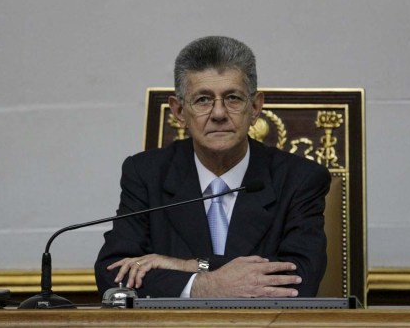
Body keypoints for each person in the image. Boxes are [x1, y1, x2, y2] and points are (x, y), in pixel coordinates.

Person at [95, 36, 331, 298]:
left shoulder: (300, 178)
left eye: (232, 98)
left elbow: (300, 280)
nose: (219, 113)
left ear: (255, 106)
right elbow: (113, 274)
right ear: (179, 111)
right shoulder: (146, 173)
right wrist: (205, 285)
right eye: (203, 100)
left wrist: (188, 266)